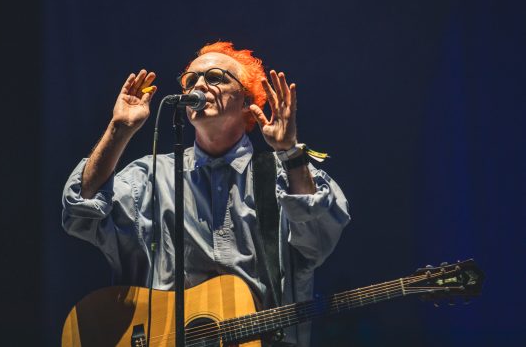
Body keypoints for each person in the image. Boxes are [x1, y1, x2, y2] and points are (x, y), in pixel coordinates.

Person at [62, 41, 350, 346]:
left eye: (215, 77)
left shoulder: (282, 176)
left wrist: (291, 154)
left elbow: (317, 241)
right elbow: (80, 213)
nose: (198, 85)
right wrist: (119, 129)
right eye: (190, 80)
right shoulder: (149, 176)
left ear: (248, 100)